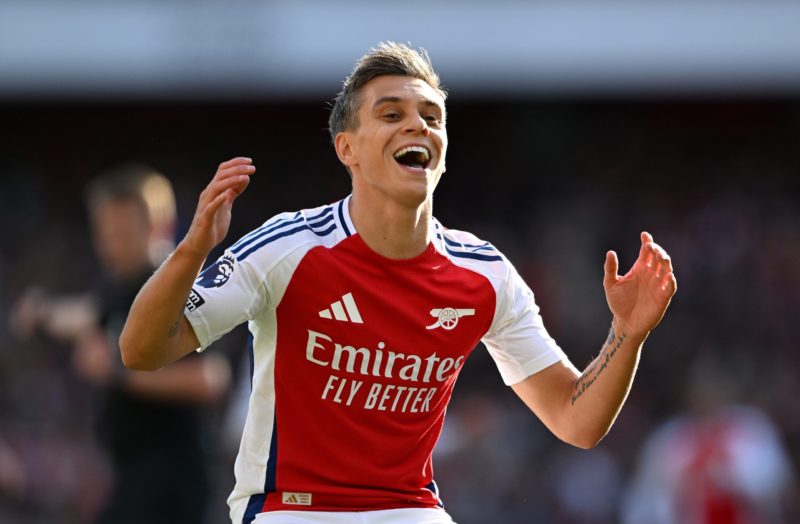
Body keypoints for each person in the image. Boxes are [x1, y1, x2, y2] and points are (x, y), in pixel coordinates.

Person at [119, 42, 677, 524]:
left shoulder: (484, 275)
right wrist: (193, 248)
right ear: (348, 149)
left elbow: (575, 420)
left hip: (410, 508)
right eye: (391, 114)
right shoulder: (288, 249)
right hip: (292, 509)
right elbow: (142, 349)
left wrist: (626, 334)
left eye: (431, 117)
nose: (417, 125)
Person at [11, 165, 232, 524]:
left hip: (173, 478)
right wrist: (42, 314)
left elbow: (210, 378)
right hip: (133, 473)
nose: (112, 243)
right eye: (106, 232)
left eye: (123, 232)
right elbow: (90, 314)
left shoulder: (174, 287)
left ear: (158, 226)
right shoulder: (121, 287)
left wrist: (117, 372)